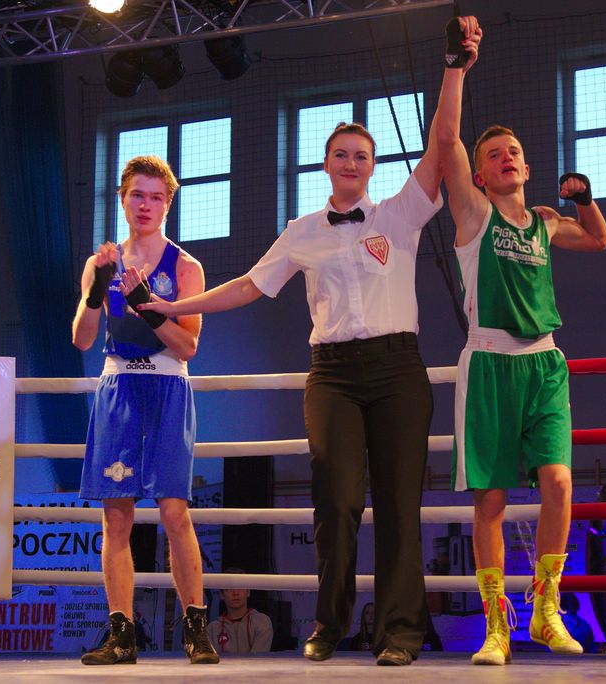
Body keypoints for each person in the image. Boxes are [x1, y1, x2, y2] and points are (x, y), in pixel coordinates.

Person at [127, 31, 460, 660]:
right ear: (325, 164)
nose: (351, 164)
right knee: (335, 501)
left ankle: (398, 633)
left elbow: (444, 141)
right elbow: (247, 286)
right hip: (333, 375)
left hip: (397, 369)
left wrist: (454, 69)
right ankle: (329, 625)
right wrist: (172, 307)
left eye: (362, 156)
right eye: (341, 155)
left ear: (373, 166)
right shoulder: (302, 232)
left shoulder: (400, 214)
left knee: (399, 505)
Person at [436, 16, 606, 666]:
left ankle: (545, 607)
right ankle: (496, 627)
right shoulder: (474, 215)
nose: (505, 157)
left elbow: (599, 239)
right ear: (480, 176)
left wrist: (584, 199)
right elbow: (447, 139)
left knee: (559, 483)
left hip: (545, 364)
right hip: (488, 364)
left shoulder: (545, 222)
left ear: (527, 166)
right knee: (491, 498)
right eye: (493, 155)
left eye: (513, 151)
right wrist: (458, 66)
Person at [71, 155, 219, 666]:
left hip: (167, 387)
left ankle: (196, 629)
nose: (146, 205)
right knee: (116, 516)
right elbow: (82, 338)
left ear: (168, 204)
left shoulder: (186, 268)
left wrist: (147, 305)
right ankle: (121, 635)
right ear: (122, 198)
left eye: (156, 197)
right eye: (138, 194)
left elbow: (188, 347)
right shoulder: (100, 263)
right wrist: (98, 289)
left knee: (175, 511)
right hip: (118, 386)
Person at [207, 569, 274, 654]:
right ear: (221, 594)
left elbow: (257, 659)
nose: (236, 593)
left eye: (240, 586)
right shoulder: (212, 629)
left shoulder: (262, 621)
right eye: (230, 588)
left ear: (248, 592)